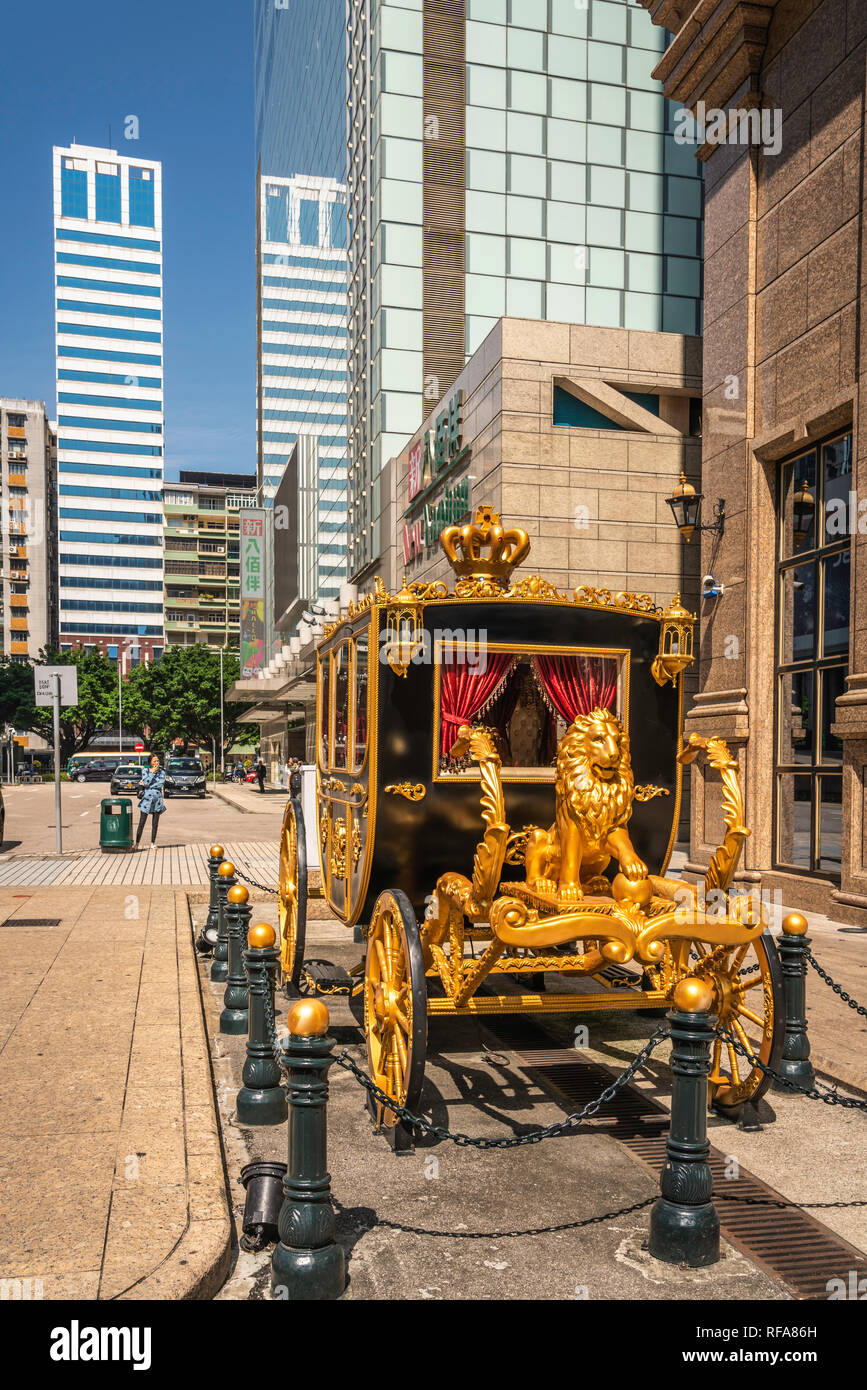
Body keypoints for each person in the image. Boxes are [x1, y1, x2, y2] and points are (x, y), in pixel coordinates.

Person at [136, 753, 166, 849]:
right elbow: (145, 781)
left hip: (157, 799)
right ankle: (137, 843)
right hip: (146, 799)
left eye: (158, 761)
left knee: (155, 823)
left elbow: (160, 784)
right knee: (142, 822)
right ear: (150, 762)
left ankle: (152, 843)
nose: (157, 763)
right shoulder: (145, 770)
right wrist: (152, 772)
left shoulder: (162, 772)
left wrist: (147, 784)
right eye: (154, 761)